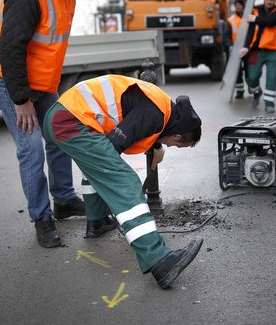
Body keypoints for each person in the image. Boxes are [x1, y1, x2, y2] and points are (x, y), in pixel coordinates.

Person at [0, 0, 100, 248]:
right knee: (31, 148)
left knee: (60, 134)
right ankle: (42, 218)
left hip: (43, 83)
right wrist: (21, 101)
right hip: (10, 81)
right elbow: (10, 49)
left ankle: (63, 200)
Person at [43, 74, 204, 289]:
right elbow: (115, 143)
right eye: (176, 145)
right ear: (176, 136)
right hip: (70, 121)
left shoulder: (162, 107)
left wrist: (156, 147)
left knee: (99, 165)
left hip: (64, 116)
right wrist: (155, 147)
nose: (171, 147)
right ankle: (159, 260)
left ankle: (97, 221)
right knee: (124, 181)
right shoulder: (156, 112)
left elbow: (135, 125)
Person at [239, 0, 276, 112]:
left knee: (271, 77)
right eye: (267, 0)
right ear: (264, 0)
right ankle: (257, 92)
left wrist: (255, 19)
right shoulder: (255, 10)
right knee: (251, 77)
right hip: (256, 50)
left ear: (274, 1)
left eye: (271, 0)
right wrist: (246, 47)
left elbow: (270, 21)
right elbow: (250, 31)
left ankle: (270, 104)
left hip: (272, 51)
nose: (269, 2)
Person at [226, 0, 257, 99]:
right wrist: (230, 46)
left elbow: (253, 33)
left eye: (240, 5)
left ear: (243, 6)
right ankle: (239, 91)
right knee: (237, 71)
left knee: (249, 70)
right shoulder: (231, 20)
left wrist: (249, 46)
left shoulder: (248, 18)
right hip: (236, 50)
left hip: (247, 49)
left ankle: (251, 88)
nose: (238, 7)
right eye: (236, 5)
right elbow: (227, 35)